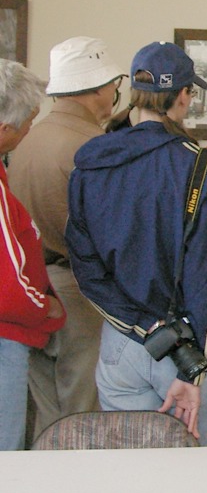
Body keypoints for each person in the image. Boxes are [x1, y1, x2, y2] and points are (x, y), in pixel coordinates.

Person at [65, 41, 207, 444]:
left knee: (133, 475)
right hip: (189, 348)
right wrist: (193, 367)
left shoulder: (89, 165)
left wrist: (144, 326)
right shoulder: (202, 166)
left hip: (123, 342)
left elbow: (86, 268)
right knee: (205, 475)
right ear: (182, 96)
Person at [8, 36, 124, 439]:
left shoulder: (27, 139)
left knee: (45, 405)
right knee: (81, 408)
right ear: (99, 88)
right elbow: (112, 233)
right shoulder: (95, 147)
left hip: (35, 286)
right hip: (80, 289)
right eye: (114, 83)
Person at [0, 60, 66, 450]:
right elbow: (8, 281)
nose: (30, 131)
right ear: (5, 127)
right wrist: (45, 307)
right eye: (29, 122)